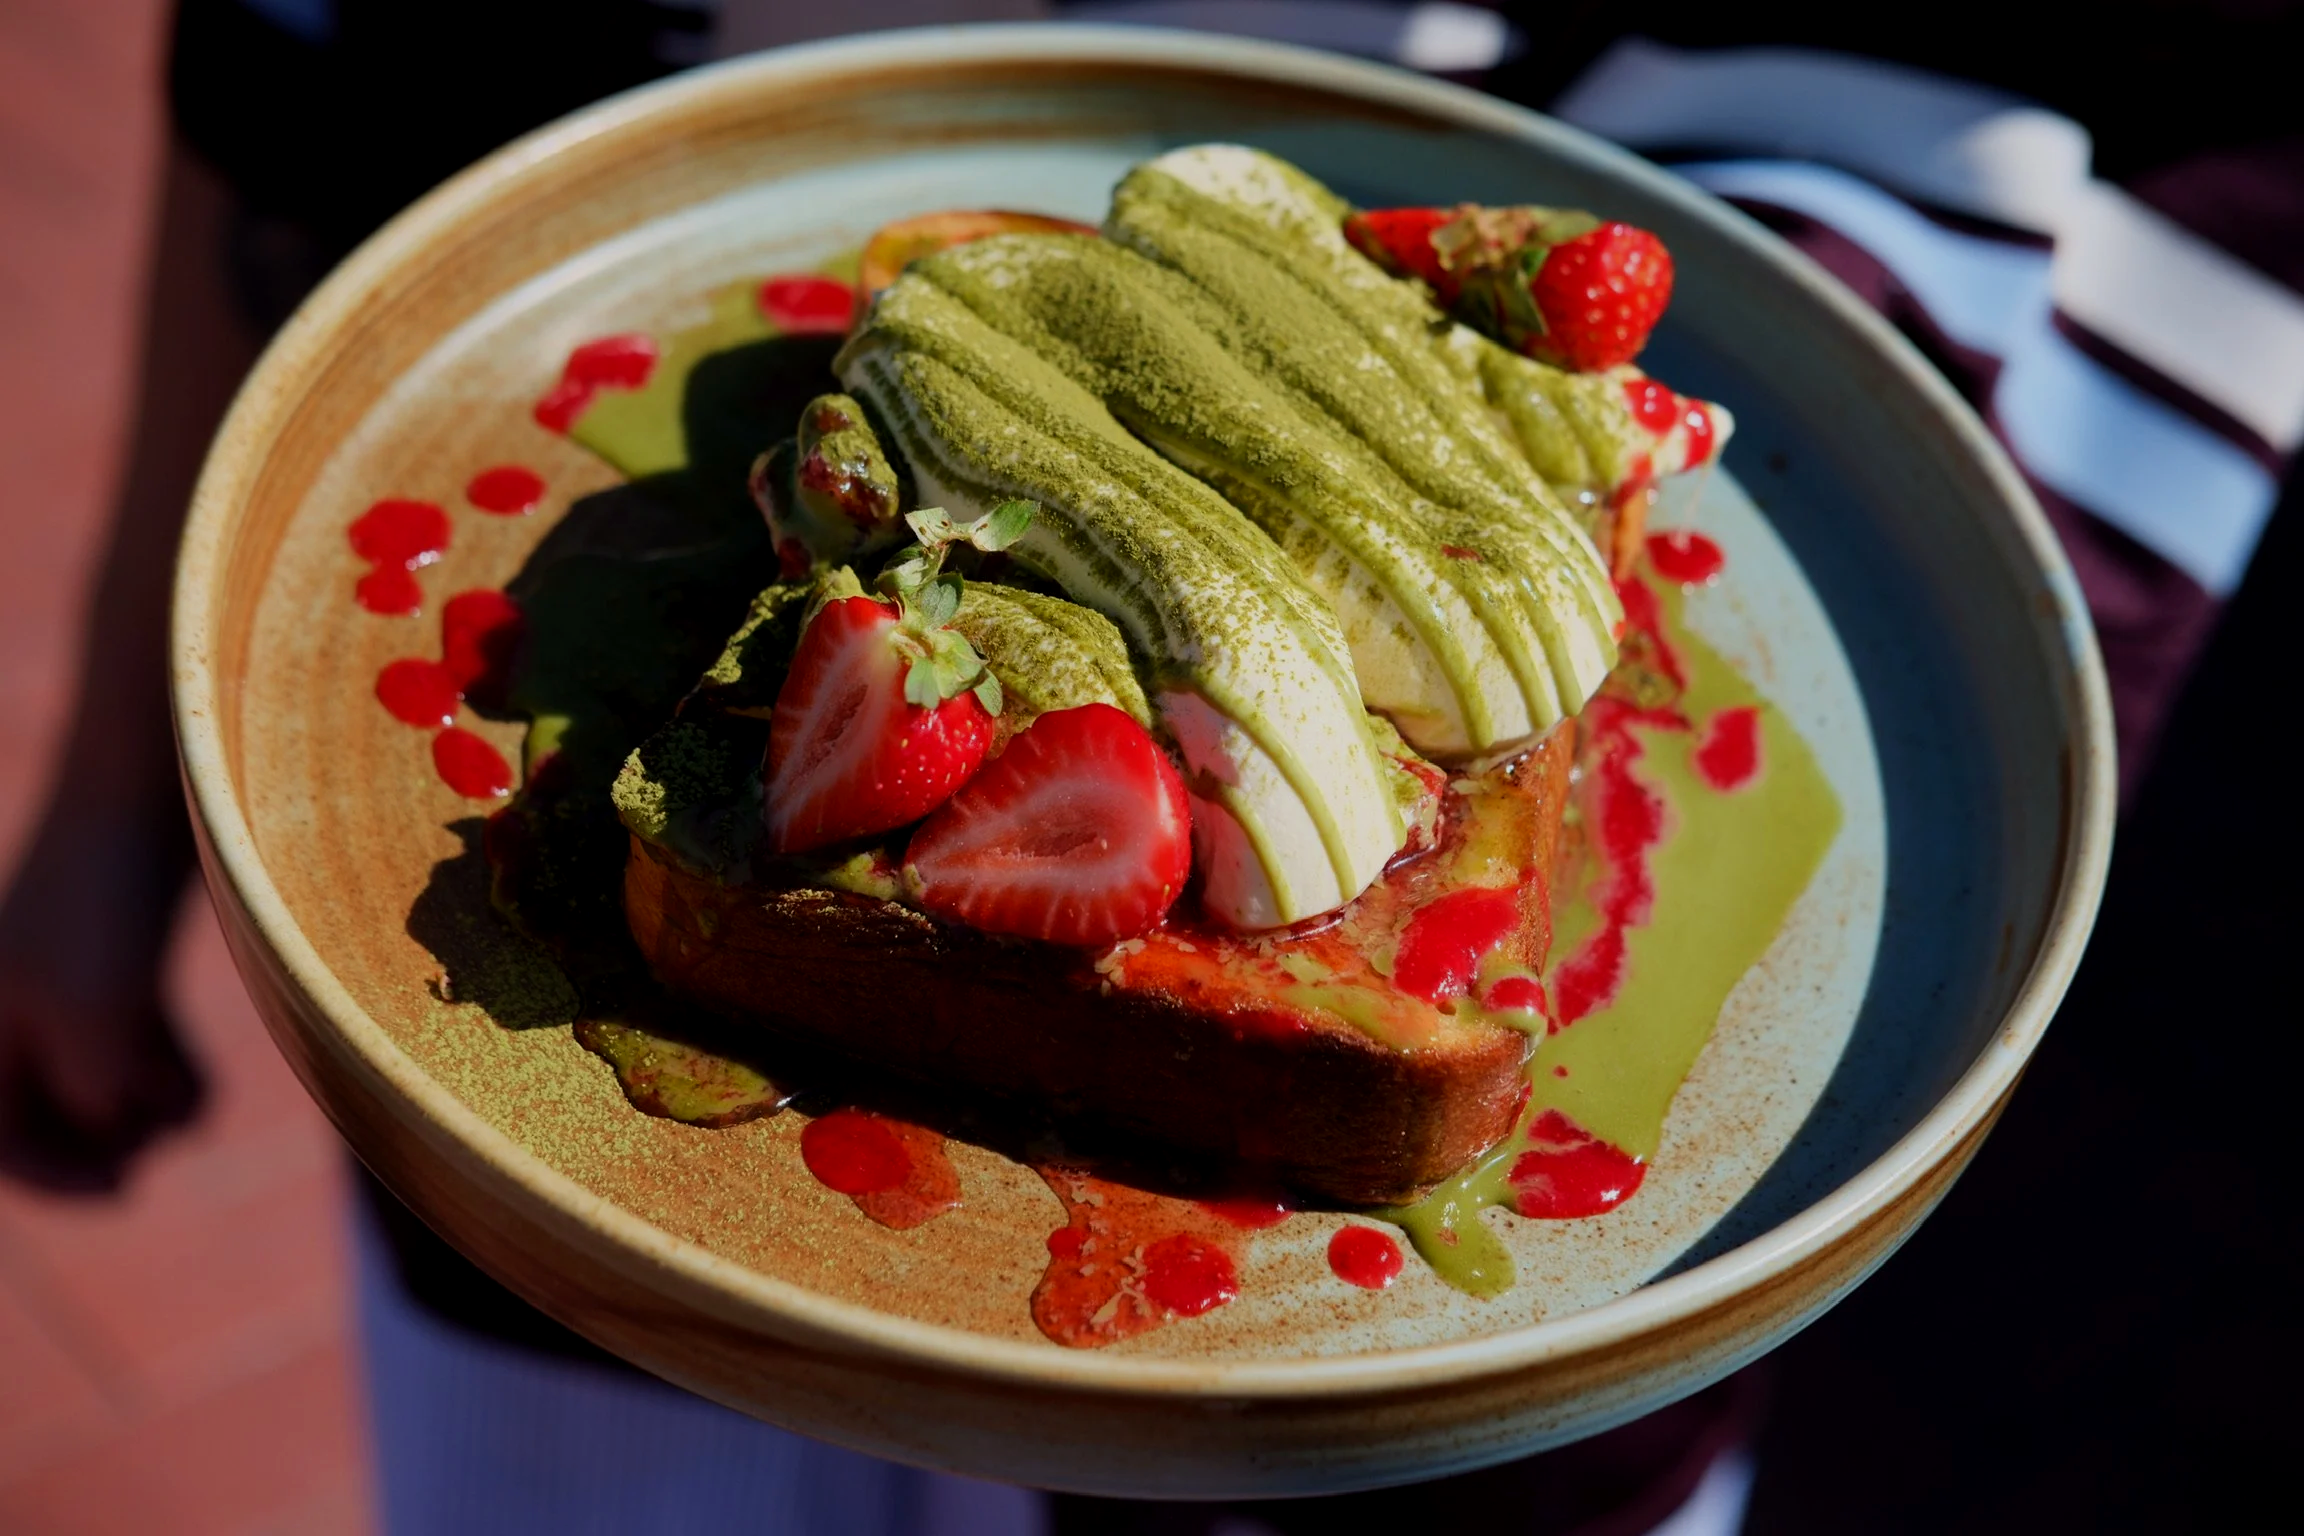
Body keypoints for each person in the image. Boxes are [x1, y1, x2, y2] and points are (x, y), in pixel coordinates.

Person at [3, 1, 2296, 1531]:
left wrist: (1752, 311)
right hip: (581, 1264)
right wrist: (111, 806)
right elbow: (311, 103)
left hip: (1404, 1449)